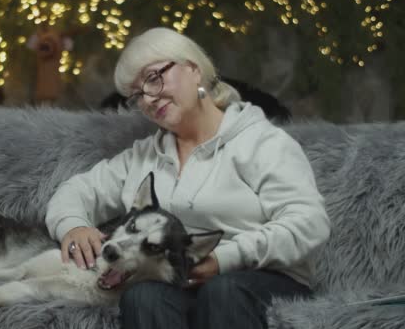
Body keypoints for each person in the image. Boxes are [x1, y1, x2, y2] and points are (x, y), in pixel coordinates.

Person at [45, 27, 331, 329]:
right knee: (143, 296)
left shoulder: (262, 143)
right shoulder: (143, 157)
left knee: (223, 290)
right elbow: (75, 191)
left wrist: (225, 259)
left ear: (194, 70)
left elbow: (309, 222)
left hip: (263, 279)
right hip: (182, 283)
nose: (149, 99)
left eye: (154, 78)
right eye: (137, 95)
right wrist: (73, 226)